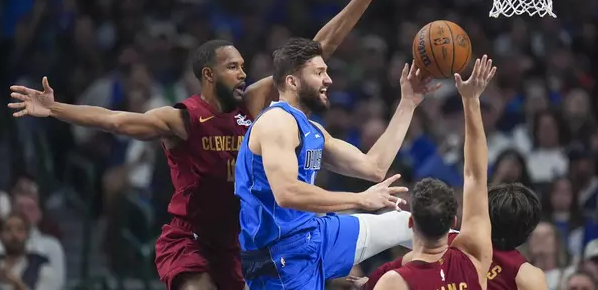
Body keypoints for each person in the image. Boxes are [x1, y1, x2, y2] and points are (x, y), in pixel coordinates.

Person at [7, 0, 413, 290]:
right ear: (208, 75)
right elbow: (115, 120)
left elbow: (315, 50)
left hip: (244, 241)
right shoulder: (181, 119)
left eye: (242, 66)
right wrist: (55, 108)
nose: (243, 73)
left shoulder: (253, 106)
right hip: (192, 239)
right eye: (233, 67)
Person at [234, 37, 441, 290]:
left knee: (408, 225)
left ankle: (484, 266)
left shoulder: (311, 129)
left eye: (327, 72)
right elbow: (286, 193)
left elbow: (374, 167)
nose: (328, 80)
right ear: (292, 81)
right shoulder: (276, 122)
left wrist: (408, 102)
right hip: (279, 258)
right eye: (319, 72)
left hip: (314, 234)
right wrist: (360, 200)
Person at [372, 56, 496, 290]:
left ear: (410, 222)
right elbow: (476, 178)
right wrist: (471, 100)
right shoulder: (475, 256)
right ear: (453, 222)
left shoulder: (393, 282)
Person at [355, 183, 547, 290]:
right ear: (528, 229)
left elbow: (404, 262)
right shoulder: (529, 276)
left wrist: (368, 283)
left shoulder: (454, 243)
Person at [0, 213, 62, 290]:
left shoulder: (42, 268)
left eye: (20, 229)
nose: (14, 234)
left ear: (27, 234)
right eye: (8, 229)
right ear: (0, 235)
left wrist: (15, 283)